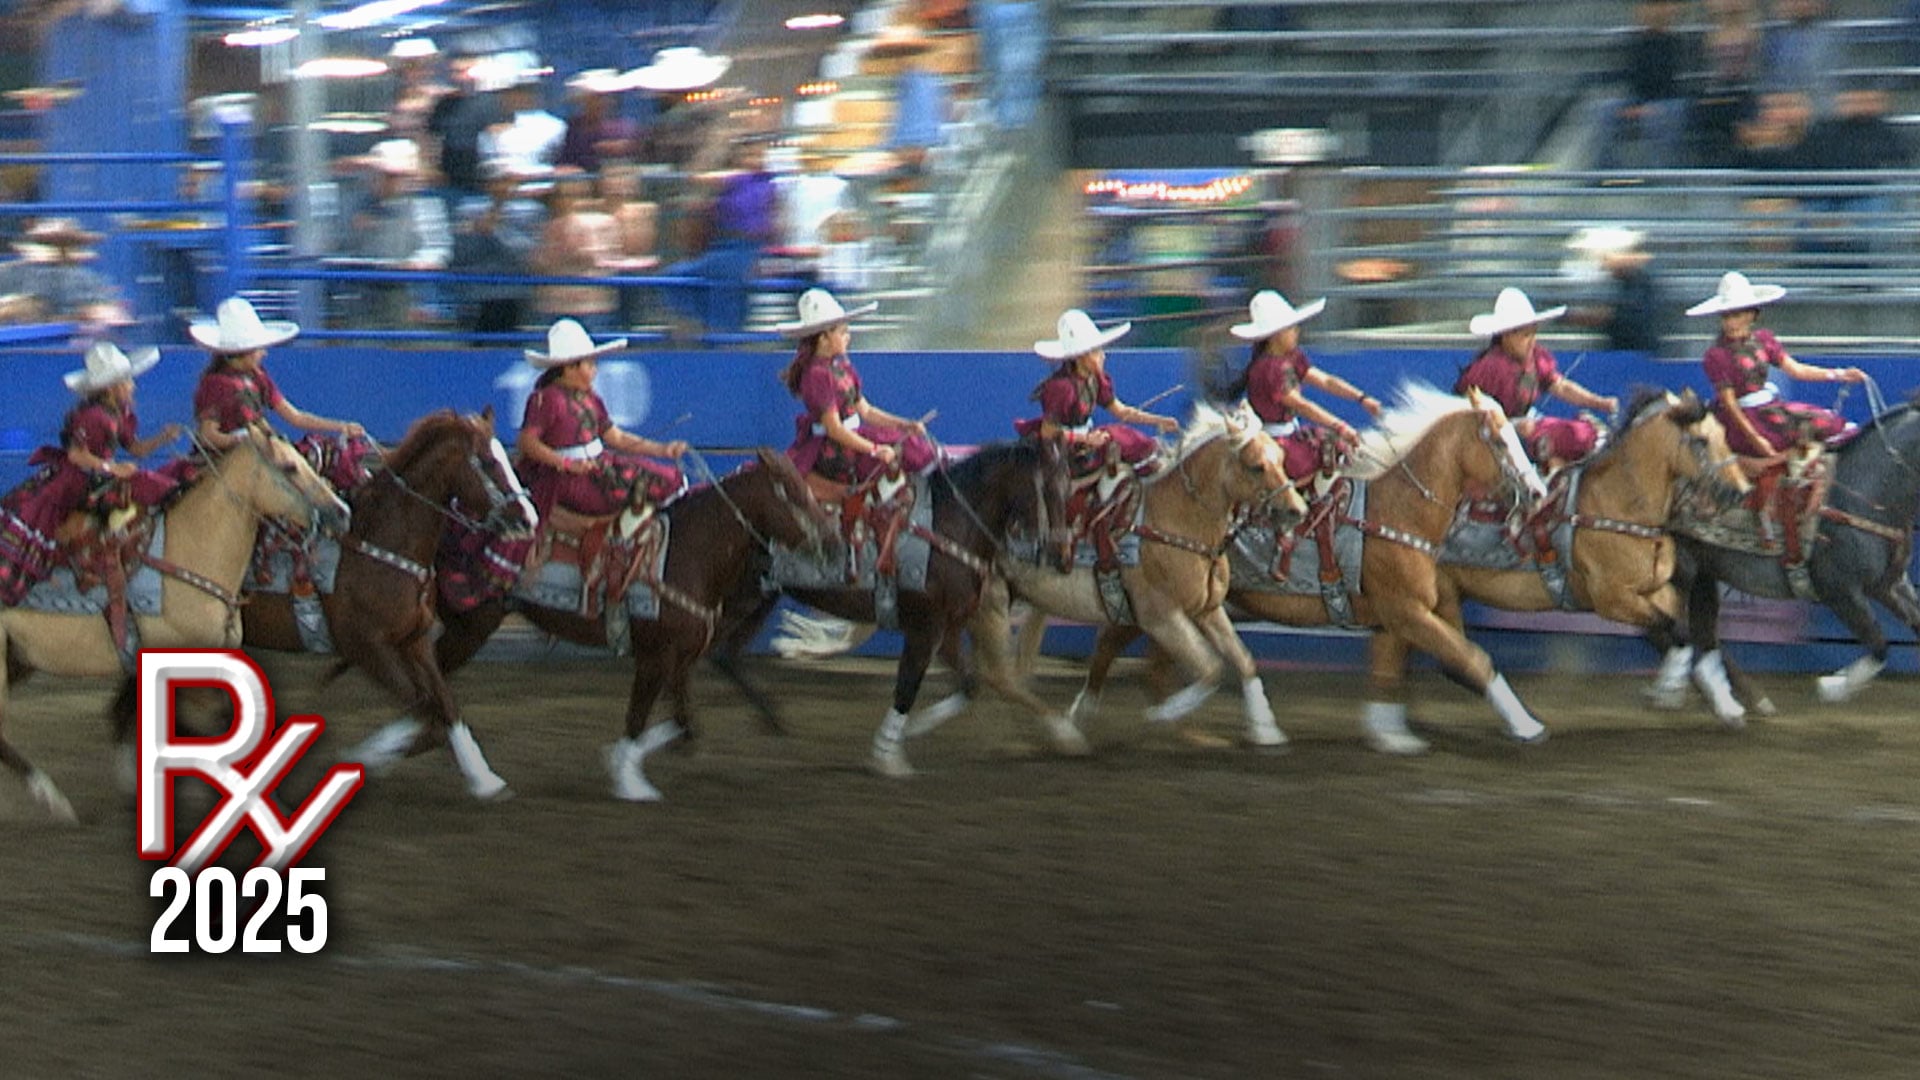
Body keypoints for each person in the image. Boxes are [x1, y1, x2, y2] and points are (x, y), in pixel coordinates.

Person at [0, 342, 182, 604]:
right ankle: (88, 565)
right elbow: (76, 454)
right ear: (112, 387)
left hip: (99, 475)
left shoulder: (118, 414)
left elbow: (136, 448)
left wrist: (163, 438)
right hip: (76, 479)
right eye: (127, 381)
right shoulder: (93, 416)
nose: (133, 386)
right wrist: (111, 467)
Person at [188, 297, 377, 490]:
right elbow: (207, 435)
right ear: (245, 351)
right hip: (234, 461)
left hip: (265, 451)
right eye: (259, 348)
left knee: (325, 454)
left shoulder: (258, 377)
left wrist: (341, 427)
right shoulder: (215, 385)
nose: (264, 353)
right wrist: (241, 439)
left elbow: (296, 416)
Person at [516, 318, 688, 519]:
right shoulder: (547, 399)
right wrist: (567, 464)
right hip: (564, 478)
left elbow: (617, 438)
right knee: (621, 492)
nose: (594, 369)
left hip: (598, 466)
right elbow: (527, 442)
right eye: (589, 364)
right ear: (570, 367)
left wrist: (662, 450)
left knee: (667, 478)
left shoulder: (591, 398)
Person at [1689, 271, 1862, 458]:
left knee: (1829, 424)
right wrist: (1755, 438)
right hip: (1742, 420)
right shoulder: (1717, 355)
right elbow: (1730, 405)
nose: (1730, 322)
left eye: (1736, 314)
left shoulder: (1763, 340)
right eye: (1726, 316)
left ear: (1750, 315)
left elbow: (1796, 369)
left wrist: (1839, 374)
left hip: (1769, 409)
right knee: (1787, 434)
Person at [780, 289, 937, 484]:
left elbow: (867, 411)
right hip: (834, 449)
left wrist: (904, 425)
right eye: (842, 332)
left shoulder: (841, 366)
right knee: (900, 452)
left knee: (909, 442)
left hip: (852, 438)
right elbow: (834, 429)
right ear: (824, 339)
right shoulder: (817, 375)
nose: (848, 336)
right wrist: (874, 449)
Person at [1225, 290, 1380, 485]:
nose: (1296, 331)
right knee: (1326, 452)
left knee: (1335, 449)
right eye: (1290, 328)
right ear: (1275, 335)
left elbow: (1325, 381)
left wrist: (1361, 398)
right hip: (1273, 441)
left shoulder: (1291, 358)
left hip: (1290, 433)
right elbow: (1301, 405)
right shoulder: (1267, 369)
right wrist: (1341, 427)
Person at [1456, 287, 1618, 472]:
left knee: (1577, 435)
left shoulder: (1535, 358)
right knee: (1550, 438)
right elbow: (1470, 413)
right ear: (1507, 335)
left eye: (1534, 333)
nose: (1532, 341)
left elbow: (1561, 387)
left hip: (1526, 427)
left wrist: (1599, 403)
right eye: (1526, 335)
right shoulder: (1489, 368)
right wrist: (1511, 427)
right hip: (1494, 440)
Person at [1015, 309, 1179, 472]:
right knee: (1113, 438)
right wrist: (1086, 439)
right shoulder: (1061, 389)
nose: (1103, 356)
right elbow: (1048, 433)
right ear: (1080, 357)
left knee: (1126, 438)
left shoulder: (1096, 380)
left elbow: (1122, 412)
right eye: (1095, 351)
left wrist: (1159, 421)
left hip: (1088, 443)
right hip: (1062, 453)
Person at [0, 218, 134, 331]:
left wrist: (84, 316)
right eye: (49, 244)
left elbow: (113, 317)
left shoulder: (85, 278)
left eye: (65, 246)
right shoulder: (12, 273)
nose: (59, 253)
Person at [1564, 227, 1671, 356]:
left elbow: (1621, 317)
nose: (1605, 267)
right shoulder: (1625, 283)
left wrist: (1574, 317)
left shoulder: (1643, 281)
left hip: (1638, 356)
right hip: (1624, 353)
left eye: (1606, 260)